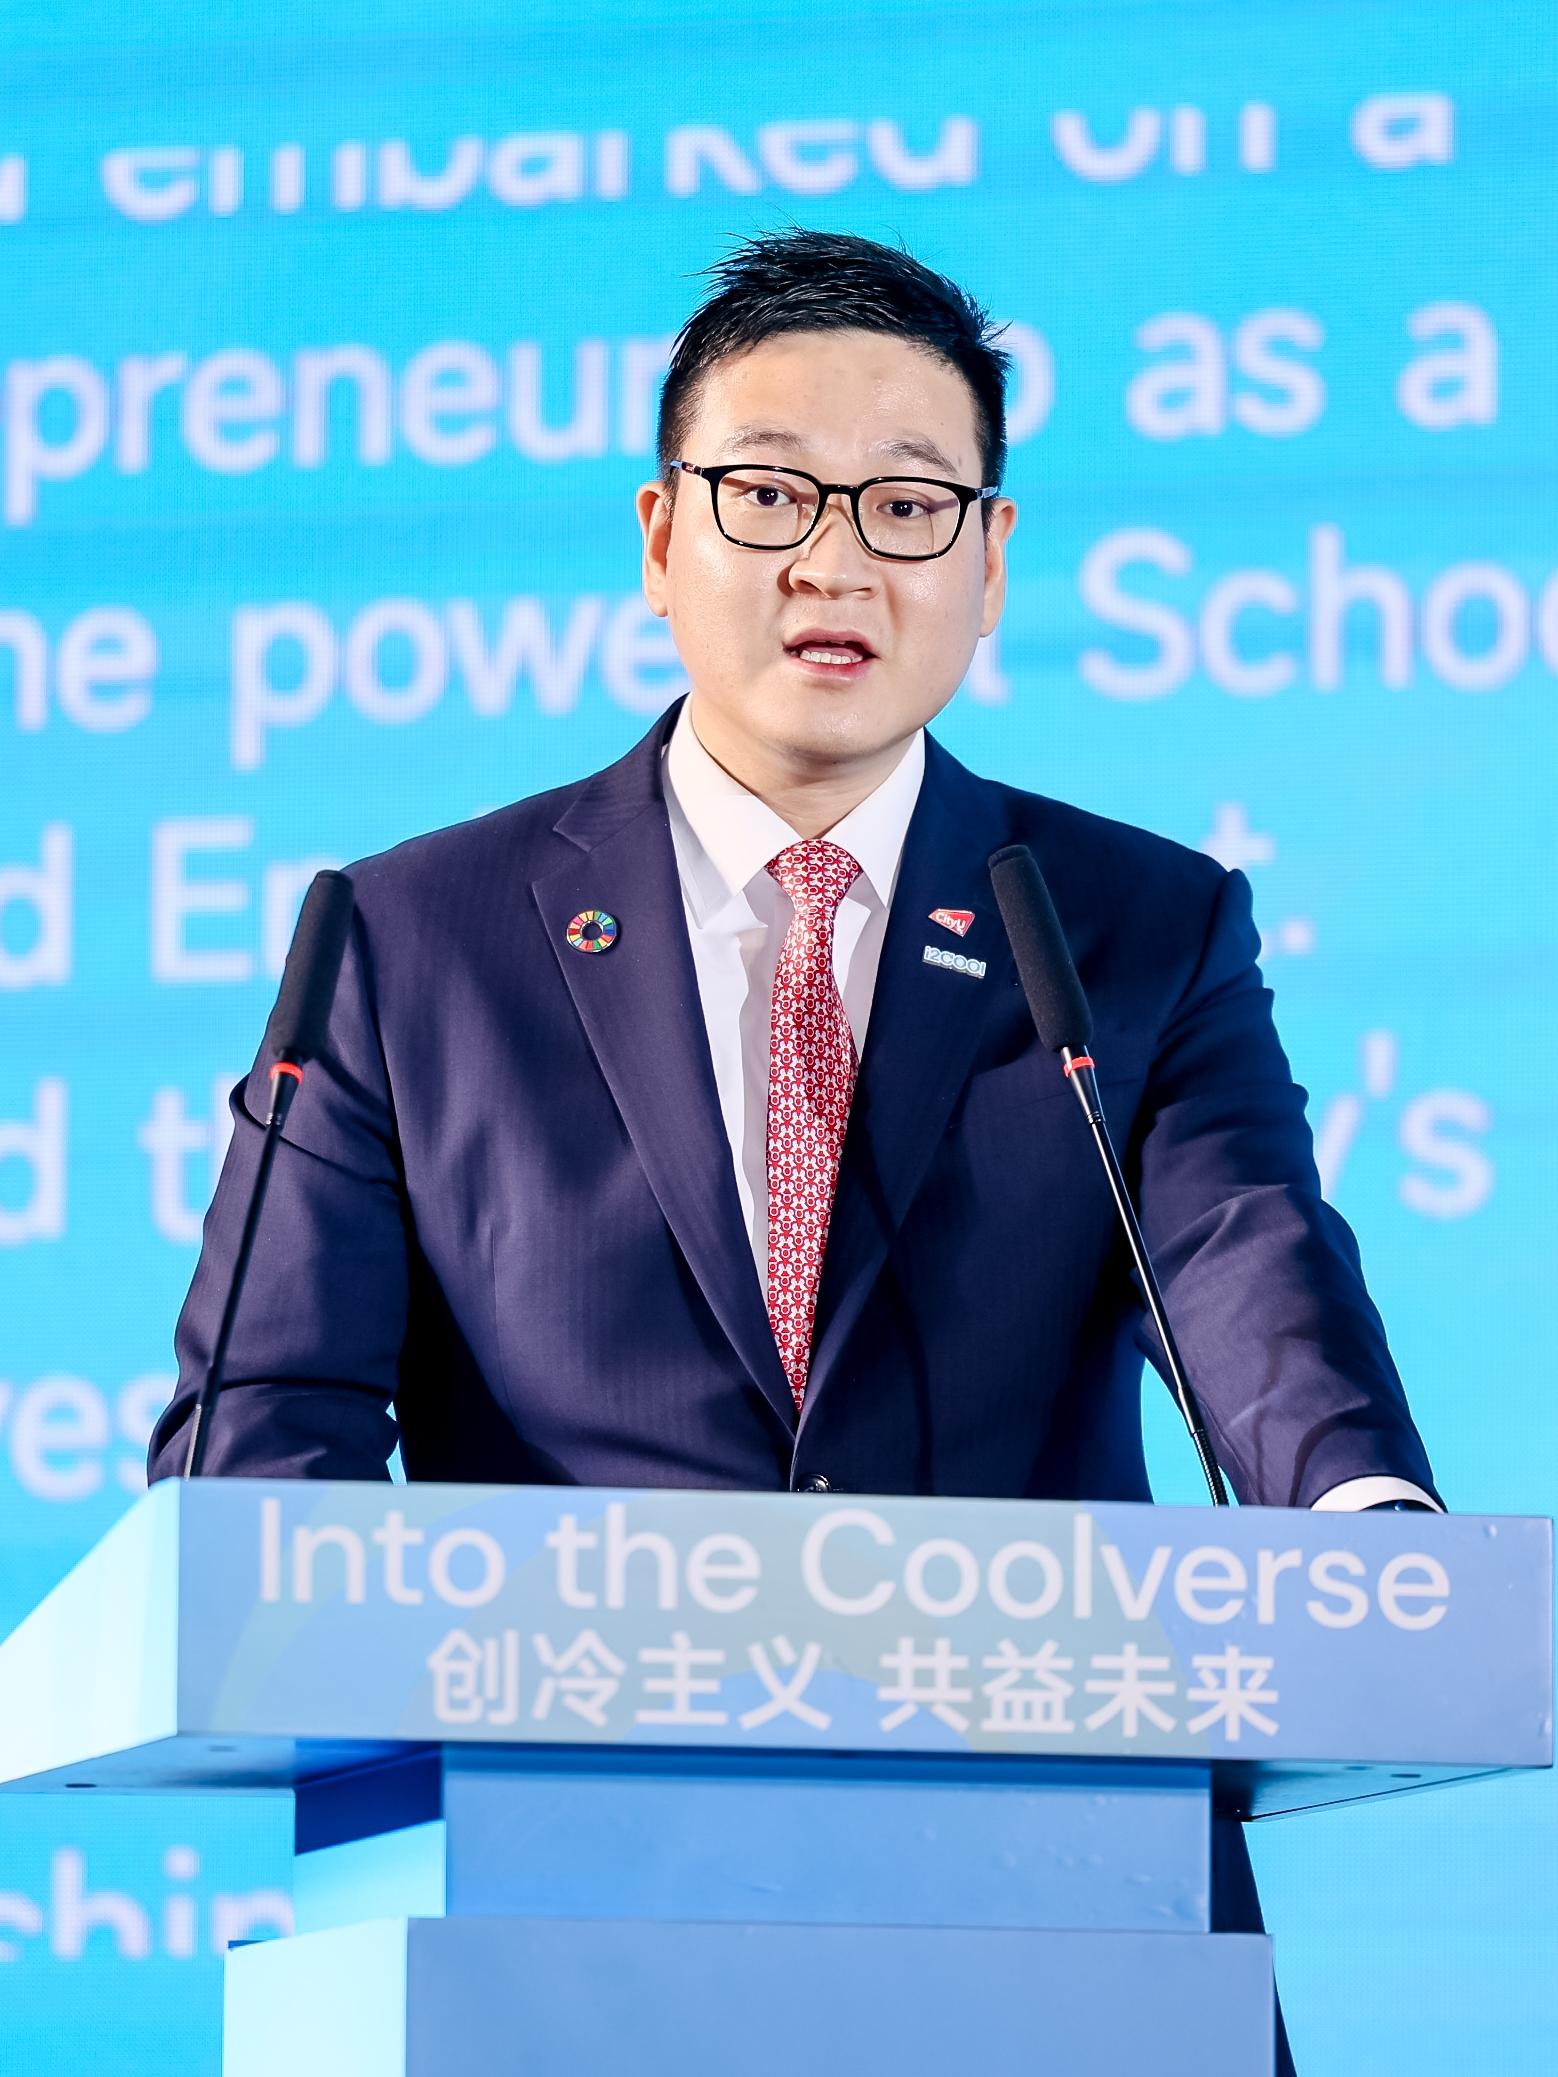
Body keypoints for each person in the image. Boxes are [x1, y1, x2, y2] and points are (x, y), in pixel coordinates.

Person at [147, 226, 1442, 2073]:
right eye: (768, 495)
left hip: (1063, 1911)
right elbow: (266, 1422)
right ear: (660, 537)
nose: (834, 561)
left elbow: (1246, 1260)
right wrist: (260, 1569)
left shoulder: (1124, 925)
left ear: (988, 564)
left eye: (908, 505)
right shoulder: (410, 937)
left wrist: (1362, 1523)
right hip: (545, 1924)